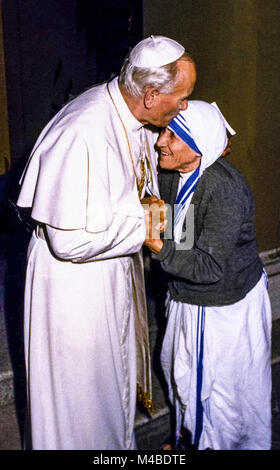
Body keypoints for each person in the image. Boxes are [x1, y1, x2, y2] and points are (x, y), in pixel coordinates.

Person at [16, 36, 197, 450]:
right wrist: (150, 221)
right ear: (151, 95)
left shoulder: (132, 117)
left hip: (107, 274)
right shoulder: (84, 130)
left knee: (108, 394)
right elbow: (69, 239)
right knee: (78, 404)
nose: (183, 105)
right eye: (182, 96)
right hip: (73, 292)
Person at [144, 101, 272, 450]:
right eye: (163, 131)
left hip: (220, 305)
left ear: (198, 146)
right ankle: (190, 436)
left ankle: (203, 443)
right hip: (189, 295)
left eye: (172, 135)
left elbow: (209, 268)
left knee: (211, 391)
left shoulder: (224, 189)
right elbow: (183, 238)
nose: (160, 142)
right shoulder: (174, 176)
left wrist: (157, 245)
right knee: (177, 371)